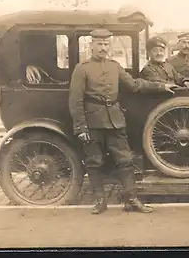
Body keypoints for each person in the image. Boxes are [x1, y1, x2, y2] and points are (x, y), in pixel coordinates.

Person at [69, 28, 178, 215]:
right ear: (91, 45)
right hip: (93, 121)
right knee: (94, 161)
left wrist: (161, 86)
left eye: (106, 44)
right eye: (99, 44)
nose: (103, 48)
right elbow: (75, 100)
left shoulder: (114, 66)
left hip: (115, 120)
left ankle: (132, 200)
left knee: (126, 160)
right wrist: (81, 127)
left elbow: (135, 85)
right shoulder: (82, 68)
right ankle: (99, 201)